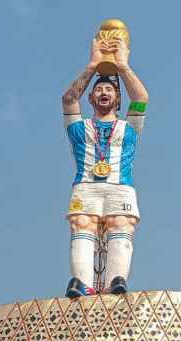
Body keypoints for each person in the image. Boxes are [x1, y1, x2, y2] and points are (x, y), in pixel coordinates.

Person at [62, 35, 149, 297]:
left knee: (120, 223)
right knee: (82, 223)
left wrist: (122, 66)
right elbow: (68, 99)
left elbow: (142, 96)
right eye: (99, 90)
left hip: (119, 185)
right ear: (90, 98)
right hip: (86, 185)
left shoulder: (130, 127)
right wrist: (92, 66)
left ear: (118, 100)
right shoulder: (78, 127)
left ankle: (115, 280)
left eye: (109, 90)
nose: (103, 92)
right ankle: (81, 282)